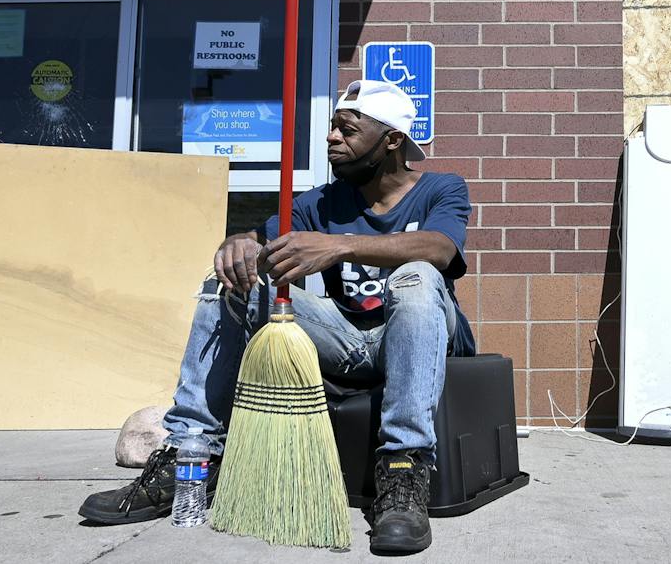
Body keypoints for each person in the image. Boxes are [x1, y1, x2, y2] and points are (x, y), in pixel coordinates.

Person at [80, 79, 474, 555]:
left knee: (415, 275)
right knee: (226, 284)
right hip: (348, 342)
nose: (332, 137)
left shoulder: (440, 188)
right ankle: (191, 459)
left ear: (392, 140)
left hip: (419, 333)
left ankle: (404, 471)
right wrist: (238, 247)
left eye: (347, 129)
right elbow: (253, 239)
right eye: (332, 127)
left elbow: (441, 248)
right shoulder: (319, 203)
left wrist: (340, 245)